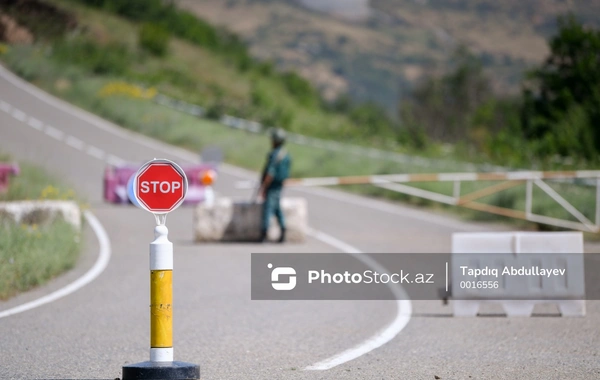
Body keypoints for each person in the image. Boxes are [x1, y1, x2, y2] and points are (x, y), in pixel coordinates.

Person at [258, 128, 291, 243]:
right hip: (279, 185)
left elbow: (270, 173)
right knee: (277, 208)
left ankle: (264, 233)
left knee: (268, 209)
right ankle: (283, 229)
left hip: (272, 185)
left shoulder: (275, 155)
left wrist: (263, 187)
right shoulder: (286, 154)